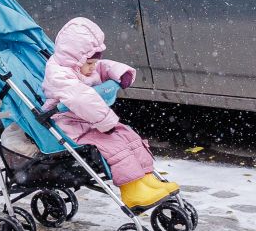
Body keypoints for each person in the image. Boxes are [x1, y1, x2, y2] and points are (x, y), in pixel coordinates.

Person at [41, 17, 180, 207]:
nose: (93, 67)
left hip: (89, 120)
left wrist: (120, 73)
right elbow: (81, 98)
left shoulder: (85, 65)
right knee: (114, 144)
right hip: (69, 125)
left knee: (128, 135)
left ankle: (146, 178)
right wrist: (106, 122)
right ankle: (131, 190)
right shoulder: (59, 74)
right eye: (89, 63)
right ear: (75, 59)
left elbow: (102, 65)